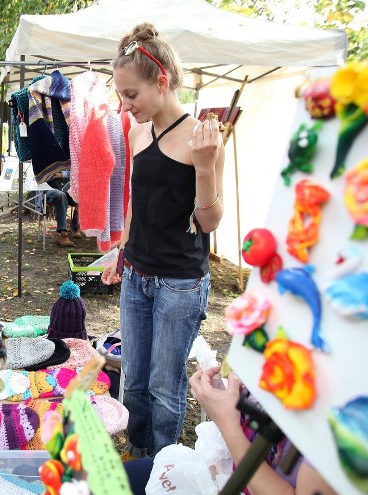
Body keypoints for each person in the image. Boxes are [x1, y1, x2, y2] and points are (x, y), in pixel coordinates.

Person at [101, 23, 224, 459]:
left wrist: (206, 167)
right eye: (121, 95)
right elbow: (137, 198)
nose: (125, 104)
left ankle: (163, 464)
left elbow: (209, 222)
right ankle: (139, 455)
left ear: (163, 81)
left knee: (163, 384)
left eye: (131, 94)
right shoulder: (137, 132)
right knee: (133, 377)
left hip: (180, 283)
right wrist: (122, 248)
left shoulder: (201, 138)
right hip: (137, 275)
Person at [124, 367, 343, 495]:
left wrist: (228, 424)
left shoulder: (344, 430)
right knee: (111, 485)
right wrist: (230, 398)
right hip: (219, 479)